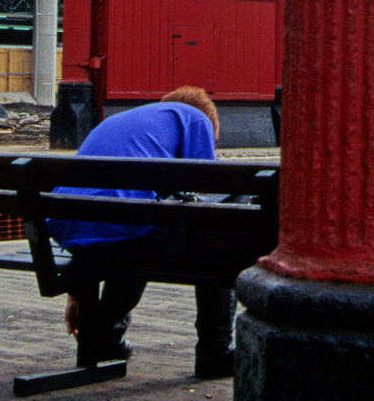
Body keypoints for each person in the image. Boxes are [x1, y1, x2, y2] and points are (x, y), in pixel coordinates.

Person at [52, 85, 240, 377]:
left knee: (140, 238)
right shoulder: (196, 117)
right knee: (217, 240)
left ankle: (104, 338)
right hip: (125, 229)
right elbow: (206, 188)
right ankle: (215, 352)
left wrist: (76, 294)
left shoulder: (128, 121)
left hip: (71, 229)